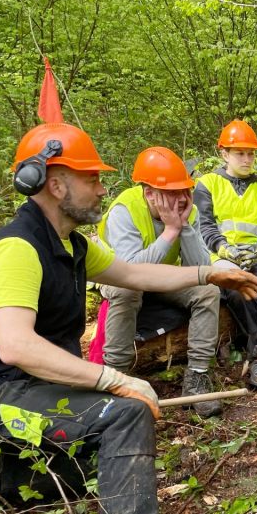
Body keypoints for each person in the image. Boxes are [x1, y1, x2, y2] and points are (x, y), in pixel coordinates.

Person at [0, 122, 257, 514]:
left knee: (91, 478)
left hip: (35, 393)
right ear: (56, 184)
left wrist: (210, 272)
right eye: (91, 178)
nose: (100, 187)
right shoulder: (16, 248)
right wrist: (113, 379)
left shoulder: (71, 245)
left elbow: (134, 273)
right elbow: (16, 345)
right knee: (124, 417)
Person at [97, 146, 222, 417]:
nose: (179, 198)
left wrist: (184, 226)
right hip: (119, 276)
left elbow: (200, 268)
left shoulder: (187, 209)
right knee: (127, 289)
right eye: (171, 192)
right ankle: (116, 379)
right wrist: (170, 231)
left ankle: (198, 376)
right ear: (149, 193)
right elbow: (130, 271)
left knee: (208, 290)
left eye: (183, 190)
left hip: (164, 277)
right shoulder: (125, 210)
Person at [196, 119, 257, 389]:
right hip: (222, 256)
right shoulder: (207, 185)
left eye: (250, 153)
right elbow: (204, 225)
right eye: (240, 153)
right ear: (224, 153)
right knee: (240, 290)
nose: (247, 159)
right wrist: (225, 249)